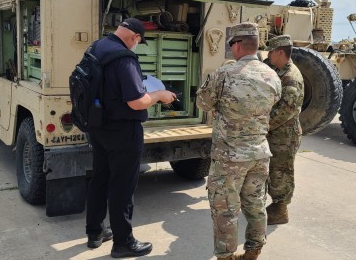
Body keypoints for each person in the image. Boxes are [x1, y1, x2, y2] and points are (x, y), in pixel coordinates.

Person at [85, 18, 176, 258]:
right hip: (123, 131)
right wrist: (160, 94)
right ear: (135, 37)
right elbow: (137, 102)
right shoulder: (124, 58)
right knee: (122, 187)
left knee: (100, 179)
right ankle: (123, 243)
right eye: (139, 41)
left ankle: (95, 232)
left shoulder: (97, 47)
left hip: (99, 126)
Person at [197, 22, 282, 260]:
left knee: (225, 209)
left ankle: (226, 256)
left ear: (236, 46)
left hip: (230, 157)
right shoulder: (273, 75)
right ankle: (253, 251)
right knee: (255, 204)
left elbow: (203, 103)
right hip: (259, 154)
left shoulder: (224, 74)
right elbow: (273, 104)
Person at [263, 35, 304, 225]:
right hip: (273, 132)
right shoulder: (275, 69)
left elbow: (285, 111)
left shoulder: (291, 78)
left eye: (271, 51)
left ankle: (280, 209)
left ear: (280, 52)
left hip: (284, 135)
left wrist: (261, 126)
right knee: (270, 170)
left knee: (281, 172)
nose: (268, 54)